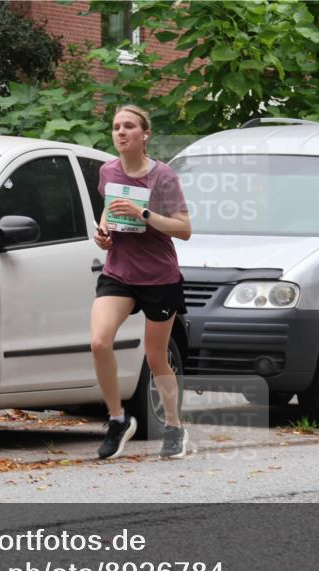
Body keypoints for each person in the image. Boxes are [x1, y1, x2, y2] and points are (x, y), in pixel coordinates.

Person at [91, 105, 192, 460]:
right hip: (119, 271)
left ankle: (175, 427)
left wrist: (145, 215)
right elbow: (108, 208)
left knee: (155, 356)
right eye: (116, 127)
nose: (121, 132)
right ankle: (118, 419)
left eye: (129, 126)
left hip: (158, 276)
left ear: (144, 135)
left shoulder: (163, 177)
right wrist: (102, 233)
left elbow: (184, 229)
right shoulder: (107, 170)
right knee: (99, 341)